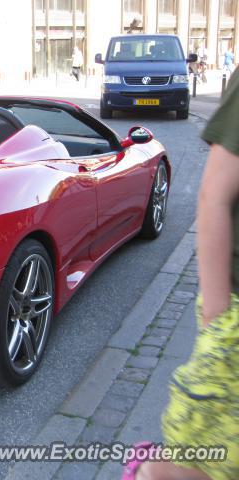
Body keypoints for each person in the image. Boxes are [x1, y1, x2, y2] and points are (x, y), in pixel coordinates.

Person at [123, 69, 239, 480]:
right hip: (234, 321)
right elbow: (213, 194)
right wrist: (217, 317)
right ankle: (151, 471)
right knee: (207, 457)